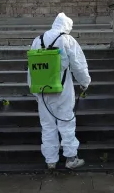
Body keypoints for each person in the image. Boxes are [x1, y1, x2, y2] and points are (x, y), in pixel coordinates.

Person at [29, 12, 91, 171]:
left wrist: (34, 90)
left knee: (47, 125)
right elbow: (78, 64)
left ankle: (51, 160)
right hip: (62, 88)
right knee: (66, 121)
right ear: (67, 26)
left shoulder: (38, 40)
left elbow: (32, 67)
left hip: (42, 88)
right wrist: (85, 82)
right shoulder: (67, 40)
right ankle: (71, 158)